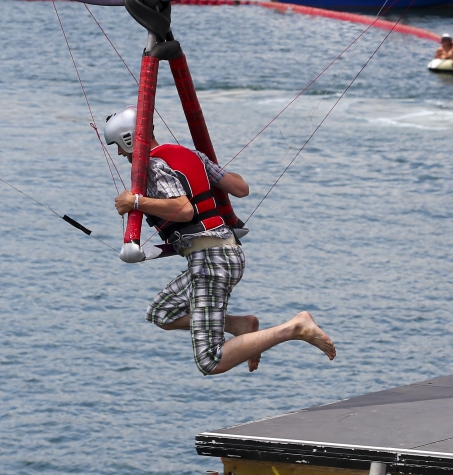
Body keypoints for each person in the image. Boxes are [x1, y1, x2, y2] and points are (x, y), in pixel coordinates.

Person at [104, 107, 335, 376]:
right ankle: (239, 325)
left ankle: (295, 327)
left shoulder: (153, 167)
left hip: (211, 261)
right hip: (218, 253)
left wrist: (135, 201)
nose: (120, 153)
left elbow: (185, 209)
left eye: (118, 146)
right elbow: (240, 188)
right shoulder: (191, 155)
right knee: (161, 312)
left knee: (210, 361)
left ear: (128, 138)